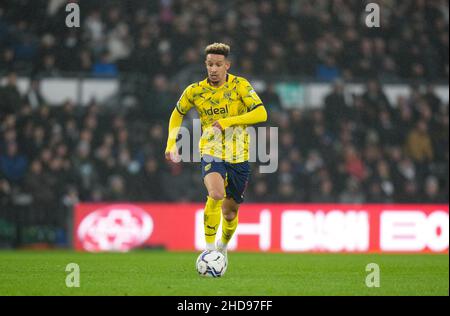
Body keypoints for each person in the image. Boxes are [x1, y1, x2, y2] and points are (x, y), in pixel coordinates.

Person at [164, 43, 267, 262]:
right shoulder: (195, 90)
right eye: (210, 64)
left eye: (218, 64)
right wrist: (171, 143)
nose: (213, 69)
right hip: (211, 150)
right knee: (216, 194)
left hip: (240, 154)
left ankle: (222, 246)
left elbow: (261, 113)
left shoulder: (240, 85)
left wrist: (228, 122)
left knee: (230, 213)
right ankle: (209, 249)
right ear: (206, 65)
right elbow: (177, 113)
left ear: (227, 66)